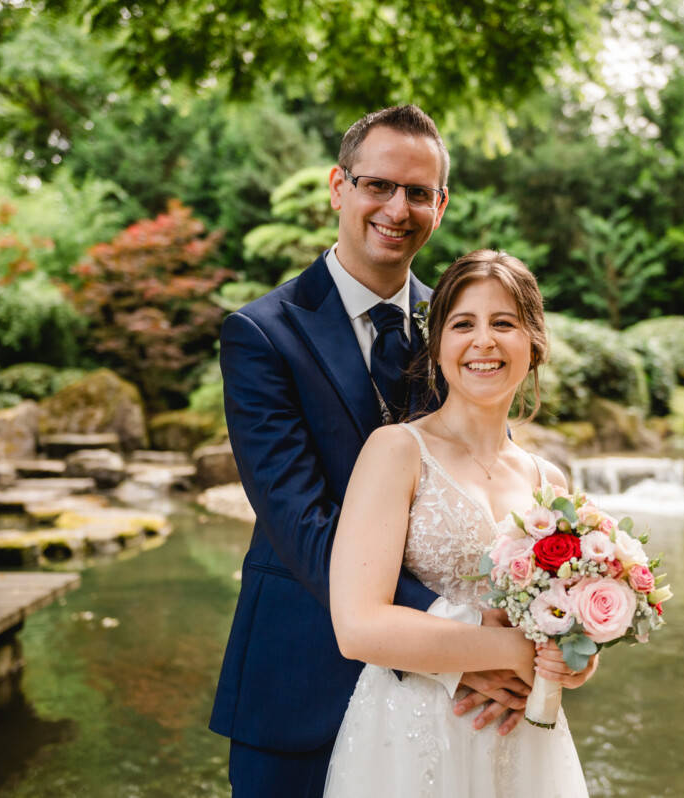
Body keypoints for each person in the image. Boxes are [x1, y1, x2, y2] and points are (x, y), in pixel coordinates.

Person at [209, 106, 536, 798]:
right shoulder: (261, 335)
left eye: (419, 192)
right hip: (299, 679)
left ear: (441, 206)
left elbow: (485, 485)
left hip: (449, 715)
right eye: (377, 185)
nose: (397, 207)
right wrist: (464, 642)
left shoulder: (460, 328)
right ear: (338, 187)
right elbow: (302, 524)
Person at [323, 249, 594, 797]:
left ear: (533, 343)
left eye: (504, 324)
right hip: (411, 732)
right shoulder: (397, 451)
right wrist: (519, 652)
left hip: (525, 741)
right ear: (439, 346)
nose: (484, 341)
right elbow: (358, 628)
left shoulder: (551, 482)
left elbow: (568, 631)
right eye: (463, 324)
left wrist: (575, 663)